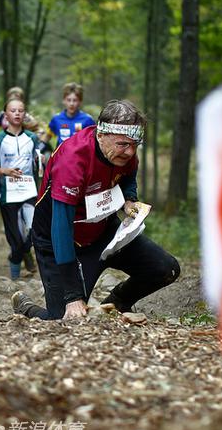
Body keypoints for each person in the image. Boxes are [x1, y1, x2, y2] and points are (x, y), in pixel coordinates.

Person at [12, 99, 180, 320]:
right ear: (101, 135)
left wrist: (129, 199)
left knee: (166, 269)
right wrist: (73, 296)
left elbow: (128, 175)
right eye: (123, 144)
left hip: (104, 233)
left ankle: (115, 305)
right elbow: (61, 227)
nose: (130, 152)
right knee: (64, 318)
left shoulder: (123, 150)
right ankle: (27, 308)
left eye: (135, 145)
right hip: (58, 239)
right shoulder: (73, 159)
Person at [0, 97, 39, 280]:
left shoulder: (32, 138)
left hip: (29, 192)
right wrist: (4, 171)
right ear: (5, 115)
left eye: (20, 110)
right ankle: (14, 280)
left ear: (24, 114)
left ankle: (21, 257)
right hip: (8, 195)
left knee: (35, 233)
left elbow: (39, 163)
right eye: (13, 110)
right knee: (16, 243)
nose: (17, 113)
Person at [48, 82, 96, 148]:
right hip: (61, 157)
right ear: (63, 100)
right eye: (68, 100)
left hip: (80, 156)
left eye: (75, 100)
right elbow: (47, 136)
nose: (71, 103)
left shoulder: (88, 120)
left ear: (80, 102)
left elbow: (94, 141)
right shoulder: (56, 119)